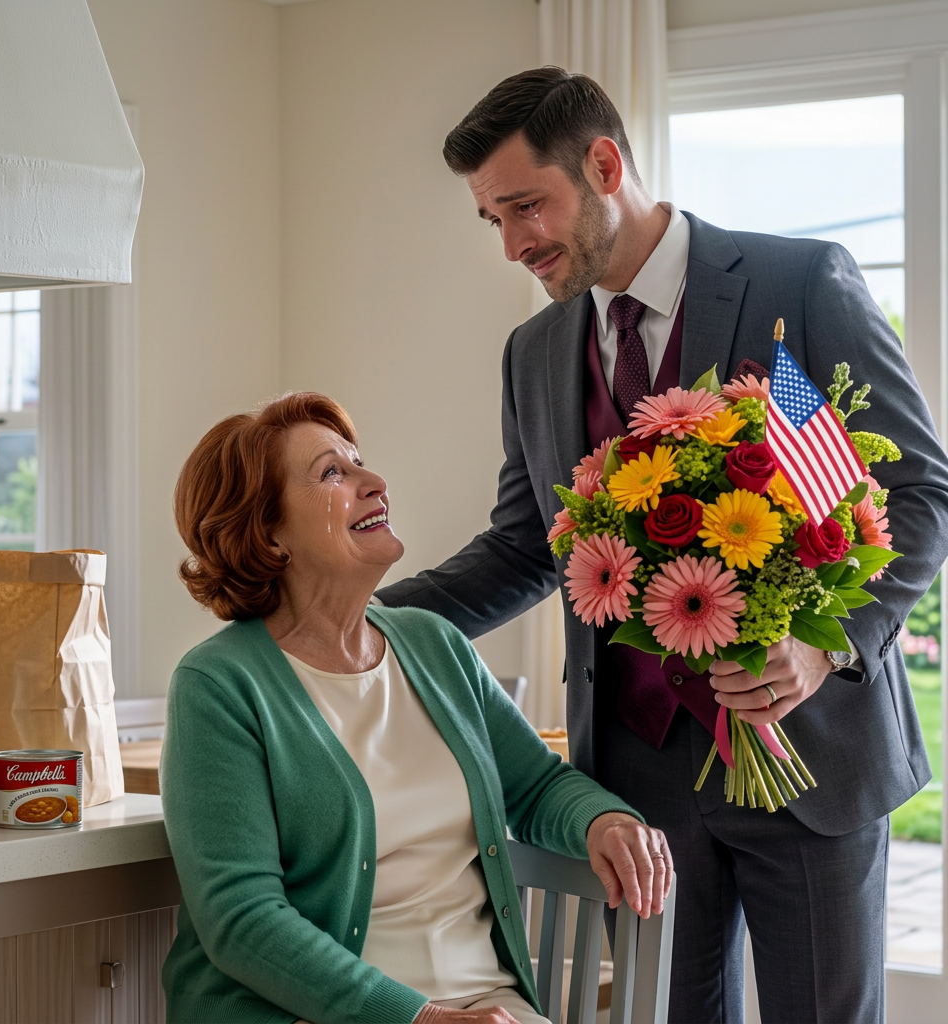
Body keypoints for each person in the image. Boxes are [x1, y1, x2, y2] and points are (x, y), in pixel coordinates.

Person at [376, 67, 948, 1023]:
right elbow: (528, 547)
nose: (516, 244)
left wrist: (823, 643)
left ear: (604, 164)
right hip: (637, 785)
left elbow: (915, 493)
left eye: (527, 206)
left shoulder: (793, 287)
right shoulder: (536, 352)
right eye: (495, 221)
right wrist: (354, 618)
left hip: (806, 754)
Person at [159, 391, 673, 1024]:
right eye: (332, 474)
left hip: (491, 1008)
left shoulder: (433, 644)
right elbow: (242, 921)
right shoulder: (219, 685)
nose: (374, 483)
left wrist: (604, 822)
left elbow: (536, 786)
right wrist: (419, 1018)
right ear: (268, 533)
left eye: (359, 463)